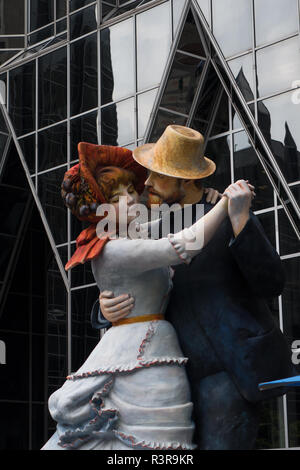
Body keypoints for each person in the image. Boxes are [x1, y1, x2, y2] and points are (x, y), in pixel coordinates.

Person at [42, 132, 251, 450]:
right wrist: (224, 204)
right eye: (118, 197)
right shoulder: (113, 249)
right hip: (140, 351)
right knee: (155, 439)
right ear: (101, 209)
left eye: (130, 189)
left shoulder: (135, 233)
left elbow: (169, 228)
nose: (133, 196)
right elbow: (181, 244)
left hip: (172, 352)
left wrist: (207, 198)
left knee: (163, 438)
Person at [95, 125, 295, 450]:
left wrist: (241, 219)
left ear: (185, 180)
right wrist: (104, 307)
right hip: (165, 376)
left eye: (158, 176)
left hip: (227, 374)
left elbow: (273, 282)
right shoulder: (154, 228)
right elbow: (126, 273)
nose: (146, 184)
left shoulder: (230, 214)